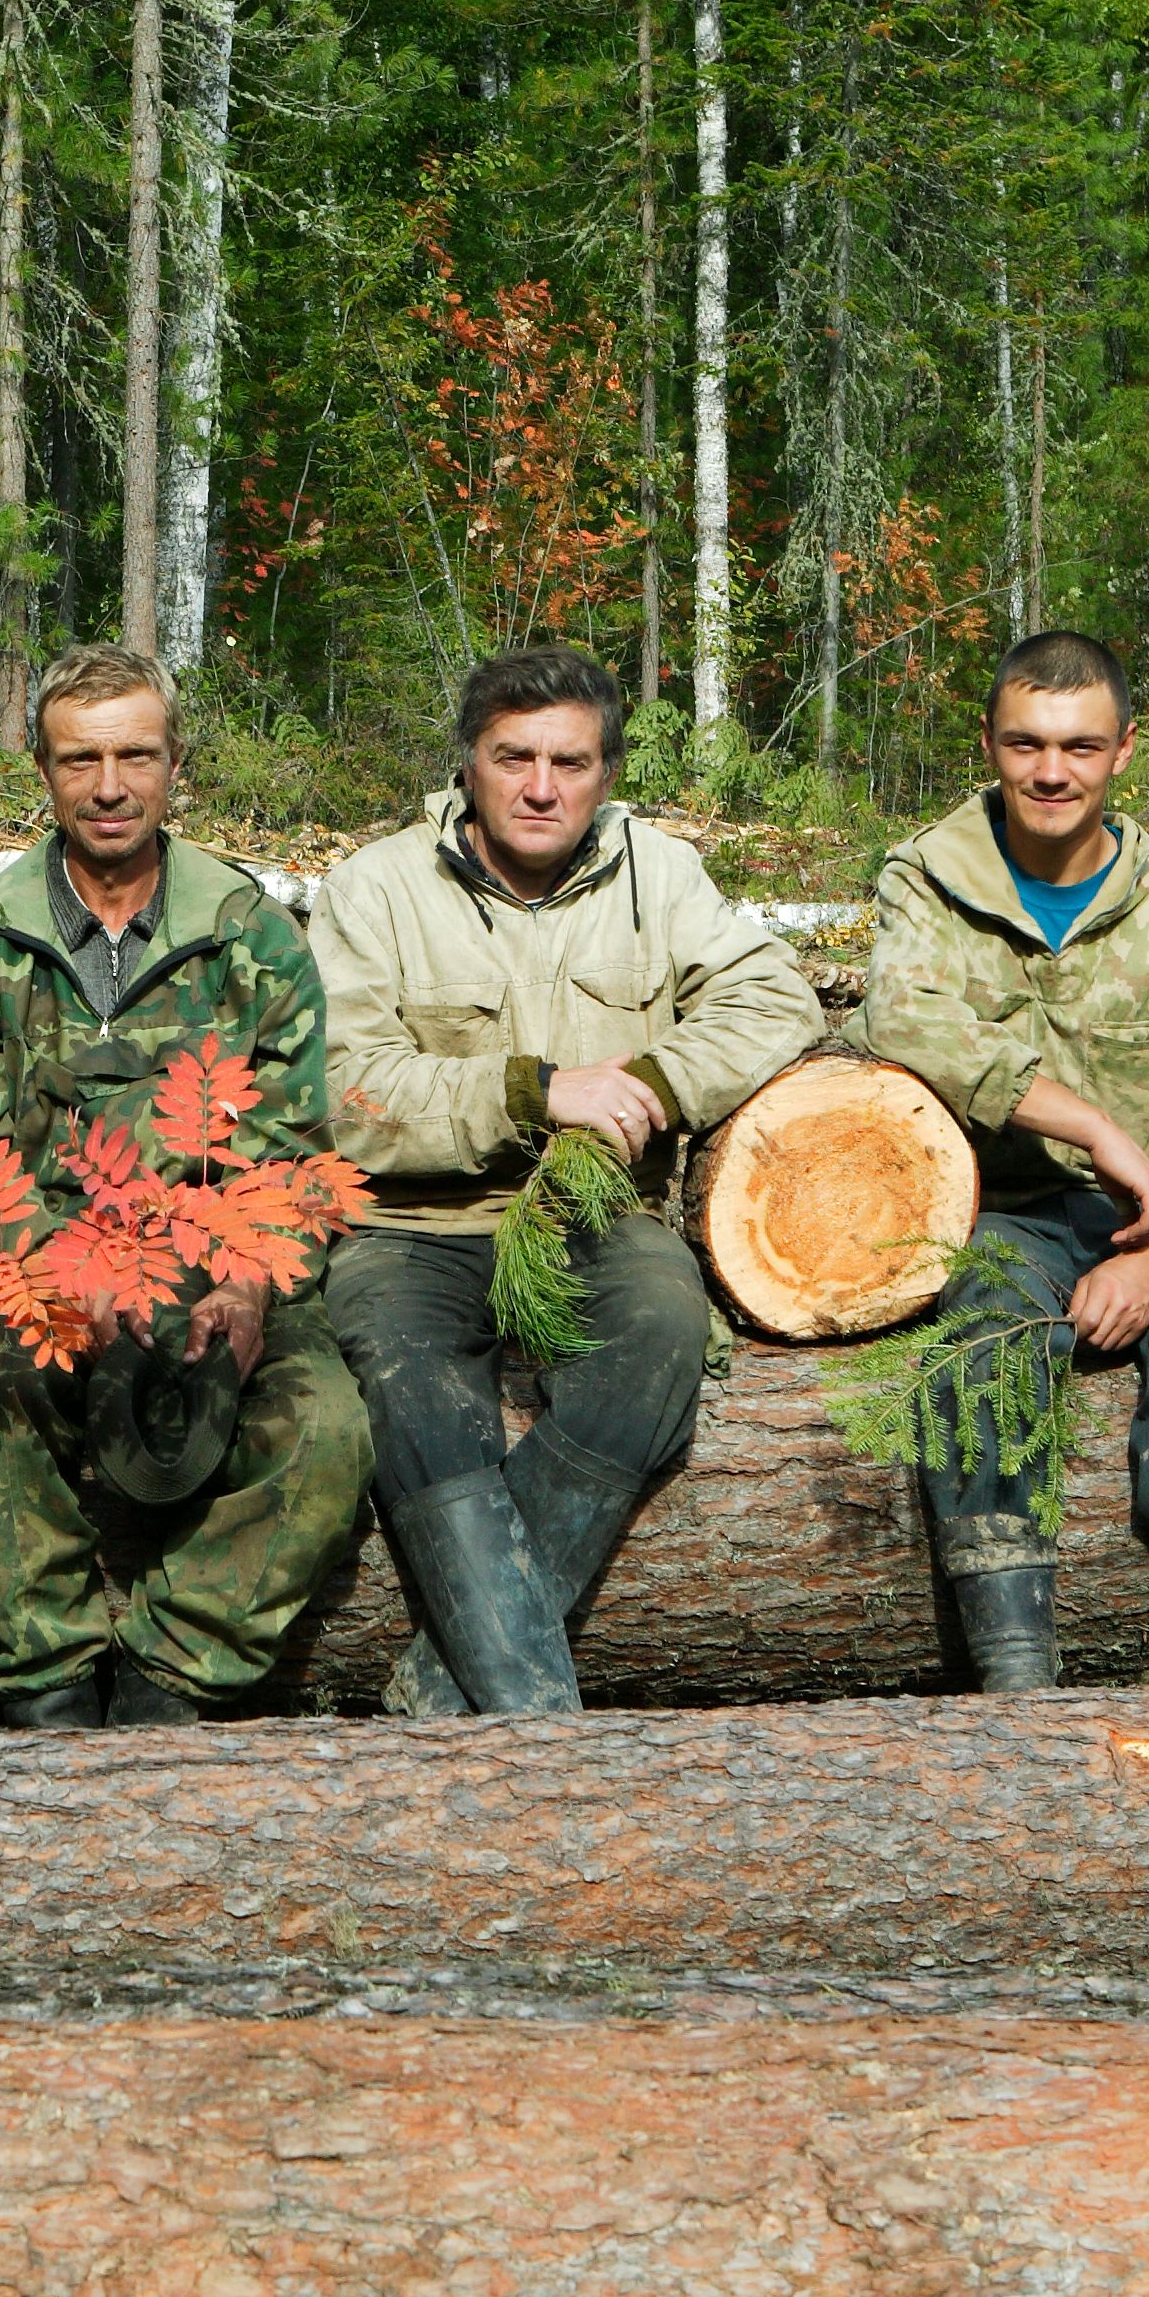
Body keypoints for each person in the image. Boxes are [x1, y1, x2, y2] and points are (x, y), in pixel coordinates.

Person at [315, 643, 824, 1713]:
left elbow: (775, 1000)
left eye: (570, 762)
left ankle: (443, 1688)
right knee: (409, 1384)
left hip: (596, 1210)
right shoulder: (375, 889)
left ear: (605, 774)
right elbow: (344, 1090)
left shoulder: (657, 873)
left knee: (661, 1330)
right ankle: (535, 1719)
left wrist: (649, 1084)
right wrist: (532, 1091)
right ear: (467, 764)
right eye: (514, 758)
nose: (540, 787)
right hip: (414, 1221)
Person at [0, 646, 375, 1726]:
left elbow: (293, 1153)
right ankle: (43, 1685)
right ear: (42, 769)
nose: (109, 786)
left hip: (215, 1262)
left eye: (135, 756)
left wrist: (252, 1283)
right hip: (46, 1273)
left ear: (176, 765)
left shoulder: (248, 934)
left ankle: (172, 1680)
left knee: (326, 1431)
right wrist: (54, 1272)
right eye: (79, 760)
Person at [843, 631, 1149, 1690]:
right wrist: (1089, 1124)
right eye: (1026, 744)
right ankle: (1013, 1674)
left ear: (1123, 749)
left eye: (1080, 746)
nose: (1052, 772)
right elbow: (902, 1019)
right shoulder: (928, 881)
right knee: (986, 1322)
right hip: (989, 1205)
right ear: (989, 745)